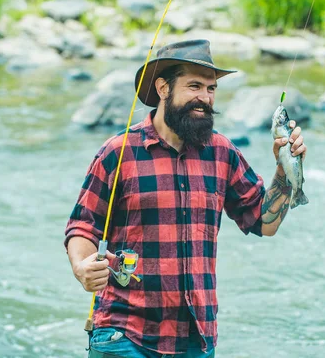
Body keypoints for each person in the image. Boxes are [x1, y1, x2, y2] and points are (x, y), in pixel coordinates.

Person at [65, 39, 307, 358]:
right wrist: (82, 266)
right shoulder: (118, 152)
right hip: (124, 335)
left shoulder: (222, 153)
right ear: (163, 88)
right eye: (194, 86)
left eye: (211, 89)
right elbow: (83, 226)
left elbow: (265, 222)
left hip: (196, 340)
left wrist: (285, 167)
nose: (205, 98)